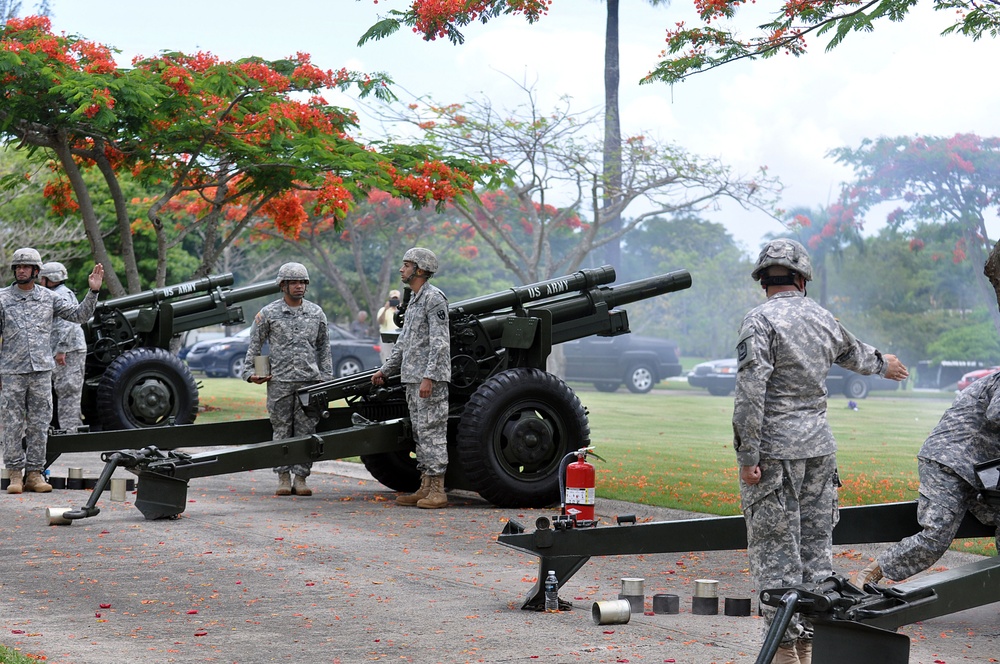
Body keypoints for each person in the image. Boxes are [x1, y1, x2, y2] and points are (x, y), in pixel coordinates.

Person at [732, 238, 908, 664]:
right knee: (815, 553)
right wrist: (887, 364)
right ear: (801, 278)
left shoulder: (759, 321)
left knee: (777, 551)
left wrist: (747, 457)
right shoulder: (822, 318)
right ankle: (812, 640)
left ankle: (784, 649)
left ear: (763, 281)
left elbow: (751, 392)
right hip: (819, 451)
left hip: (775, 453)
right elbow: (858, 354)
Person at [854, 372, 1000, 587]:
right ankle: (869, 573)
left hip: (979, 468)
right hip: (949, 461)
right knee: (936, 535)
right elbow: (997, 413)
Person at [2, 248, 103, 494]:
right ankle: (15, 474)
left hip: (40, 372)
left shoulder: (49, 298)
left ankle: (35, 474)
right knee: (12, 423)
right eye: (18, 267)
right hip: (11, 372)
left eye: (26, 267)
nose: (21, 271)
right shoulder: (2, 298)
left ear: (36, 271)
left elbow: (79, 316)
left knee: (39, 423)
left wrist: (94, 291)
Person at [242, 262, 332, 497]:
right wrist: (250, 372)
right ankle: (283, 476)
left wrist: (327, 378)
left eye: (302, 282)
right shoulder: (269, 313)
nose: (299, 286)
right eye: (293, 282)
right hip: (280, 382)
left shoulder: (316, 313)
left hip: (309, 382)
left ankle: (301, 478)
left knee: (305, 430)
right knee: (281, 429)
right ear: (282, 285)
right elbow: (255, 344)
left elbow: (324, 348)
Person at [371, 248, 451, 509]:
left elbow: (440, 344)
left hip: (429, 380)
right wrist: (385, 371)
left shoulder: (433, 298)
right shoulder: (415, 300)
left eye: (406, 265)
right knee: (420, 433)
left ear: (419, 269)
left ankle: (438, 490)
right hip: (412, 379)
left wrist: (429, 377)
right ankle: (425, 486)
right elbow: (403, 344)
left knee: (433, 432)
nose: (401, 270)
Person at [38, 262, 87, 433]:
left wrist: (61, 350)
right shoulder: (56, 294)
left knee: (68, 391)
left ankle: (70, 433)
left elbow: (68, 324)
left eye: (42, 278)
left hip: (69, 351)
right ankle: (71, 430)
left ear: (51, 278)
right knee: (66, 391)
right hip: (66, 350)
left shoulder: (62, 295)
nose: (40, 281)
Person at [376, 289, 402, 363]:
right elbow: (380, 321)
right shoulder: (383, 310)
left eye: (396, 299)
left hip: (399, 338)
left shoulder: (401, 310)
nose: (394, 301)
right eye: (393, 299)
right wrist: (385, 309)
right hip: (386, 339)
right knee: (386, 358)